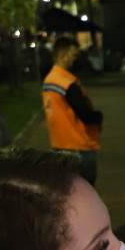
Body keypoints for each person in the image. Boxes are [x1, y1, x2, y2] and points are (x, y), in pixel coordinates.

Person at [43, 35, 103, 185]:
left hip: (58, 145)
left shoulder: (49, 80)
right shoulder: (67, 84)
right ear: (63, 55)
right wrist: (99, 117)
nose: (76, 59)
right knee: (85, 196)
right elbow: (86, 115)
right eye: (74, 55)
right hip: (78, 146)